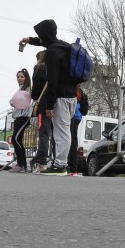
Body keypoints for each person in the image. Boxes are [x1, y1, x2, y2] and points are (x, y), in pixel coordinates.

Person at [20, 20, 78, 175]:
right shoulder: (62, 45)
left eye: (40, 35)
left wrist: (49, 106)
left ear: (44, 35)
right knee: (65, 130)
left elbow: (53, 81)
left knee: (61, 132)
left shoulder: (52, 53)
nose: (40, 38)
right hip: (72, 96)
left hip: (62, 97)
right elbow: (45, 42)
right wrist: (30, 40)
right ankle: (61, 164)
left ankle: (60, 166)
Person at [9, 69, 33, 173]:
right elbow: (14, 101)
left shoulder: (27, 90)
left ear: (26, 78)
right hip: (18, 117)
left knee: (15, 139)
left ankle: (21, 164)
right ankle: (22, 165)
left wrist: (14, 102)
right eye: (18, 77)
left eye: (22, 77)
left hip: (24, 118)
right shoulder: (20, 89)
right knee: (18, 140)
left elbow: (25, 103)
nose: (19, 78)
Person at [67, 87, 89, 175]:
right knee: (73, 139)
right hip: (78, 116)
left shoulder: (74, 89)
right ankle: (73, 167)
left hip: (73, 115)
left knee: (70, 140)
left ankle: (71, 167)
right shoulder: (80, 90)